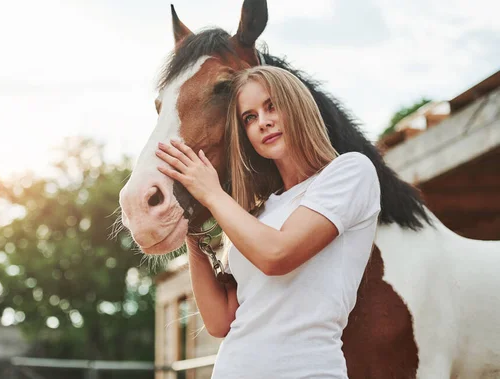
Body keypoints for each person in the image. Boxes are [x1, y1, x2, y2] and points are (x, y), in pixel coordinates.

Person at [155, 66, 381, 379]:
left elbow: (278, 255)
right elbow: (221, 321)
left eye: (271, 106)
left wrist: (211, 194)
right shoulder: (255, 214)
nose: (263, 122)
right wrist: (192, 226)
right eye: (250, 117)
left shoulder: (350, 172)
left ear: (298, 106)